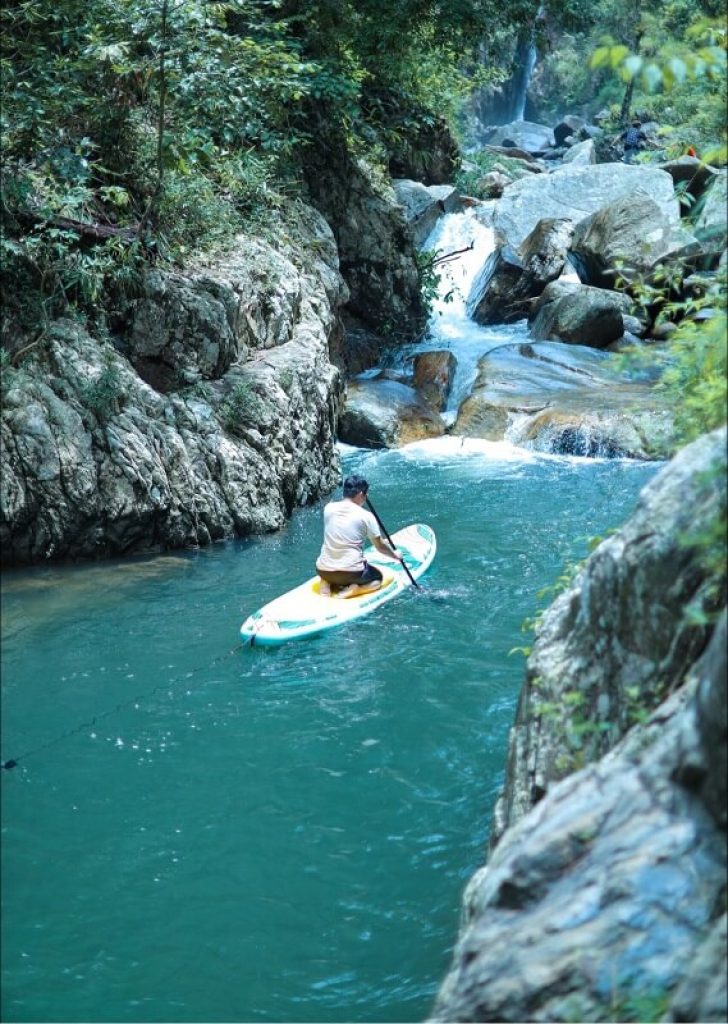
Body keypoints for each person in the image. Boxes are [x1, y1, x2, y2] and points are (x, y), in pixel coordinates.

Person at [316, 475, 404, 599]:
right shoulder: (366, 516)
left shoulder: (328, 509)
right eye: (366, 494)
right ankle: (357, 589)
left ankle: (325, 583)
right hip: (351, 573)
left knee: (331, 560)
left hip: (322, 570)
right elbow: (380, 547)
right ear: (361, 494)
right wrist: (395, 555)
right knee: (378, 579)